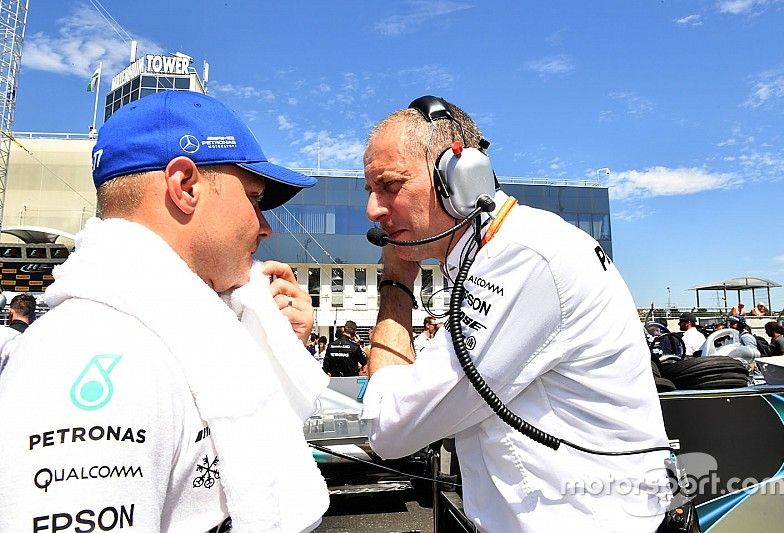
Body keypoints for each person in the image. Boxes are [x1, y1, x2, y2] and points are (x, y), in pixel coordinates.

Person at [0, 91, 330, 532]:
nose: (265, 226)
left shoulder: (180, 335)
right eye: (254, 199)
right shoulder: (88, 350)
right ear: (185, 187)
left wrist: (281, 345)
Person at [361, 96, 670, 532]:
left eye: (390, 185)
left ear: (462, 177)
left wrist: (396, 283)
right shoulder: (498, 252)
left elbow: (391, 430)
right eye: (369, 191)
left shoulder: (521, 259)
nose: (373, 209)